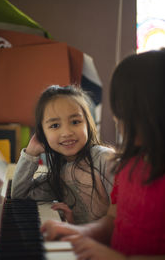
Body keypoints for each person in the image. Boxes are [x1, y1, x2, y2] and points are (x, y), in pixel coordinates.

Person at [40, 49, 165, 260]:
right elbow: (112, 221)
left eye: (125, 111)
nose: (117, 118)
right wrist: (79, 232)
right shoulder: (129, 165)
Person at [11, 85, 114, 224]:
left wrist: (78, 231)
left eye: (75, 122)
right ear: (42, 134)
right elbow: (19, 195)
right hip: (81, 241)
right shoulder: (58, 174)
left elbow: (122, 215)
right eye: (54, 125)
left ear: (88, 124)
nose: (66, 132)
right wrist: (31, 153)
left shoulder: (105, 159)